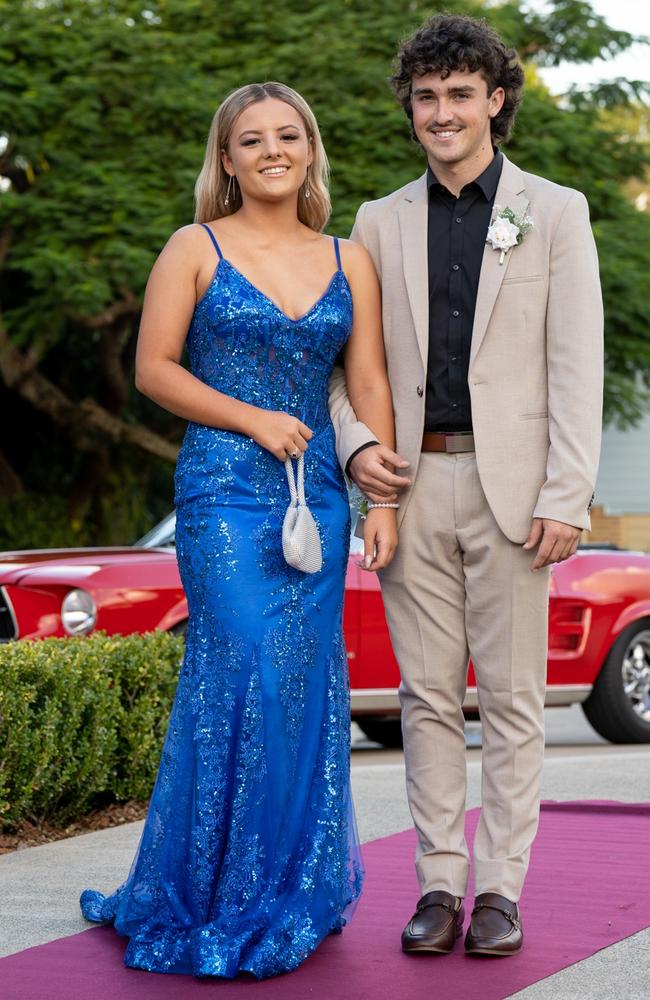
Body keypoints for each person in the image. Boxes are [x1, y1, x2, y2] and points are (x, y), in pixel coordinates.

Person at [79, 81, 397, 979]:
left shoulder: (350, 258)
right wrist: (252, 419)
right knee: (245, 668)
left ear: (310, 150)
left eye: (288, 135)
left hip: (319, 503)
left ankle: (290, 886)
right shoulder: (194, 247)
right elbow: (153, 369)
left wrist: (387, 502)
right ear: (226, 159)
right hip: (223, 492)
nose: (271, 150)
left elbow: (367, 384)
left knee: (301, 688)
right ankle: (215, 891)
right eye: (251, 139)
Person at [330, 13, 603, 957]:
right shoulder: (376, 221)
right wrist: (360, 448)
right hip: (410, 489)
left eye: (459, 94)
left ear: (495, 101)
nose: (441, 112)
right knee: (426, 698)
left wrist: (566, 494)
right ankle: (440, 884)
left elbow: (576, 364)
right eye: (426, 97)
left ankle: (502, 892)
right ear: (411, 109)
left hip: (517, 493)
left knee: (516, 699)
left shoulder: (555, 210)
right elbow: (345, 364)